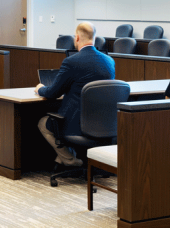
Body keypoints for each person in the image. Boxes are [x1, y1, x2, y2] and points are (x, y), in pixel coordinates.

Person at [35, 22, 115, 168]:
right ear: (94, 38)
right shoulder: (109, 61)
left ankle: (70, 160)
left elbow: (53, 93)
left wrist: (40, 89)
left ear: (76, 38)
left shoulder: (71, 62)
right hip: (104, 125)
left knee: (43, 123)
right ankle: (68, 158)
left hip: (75, 126)